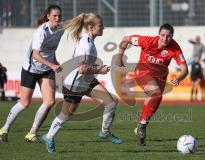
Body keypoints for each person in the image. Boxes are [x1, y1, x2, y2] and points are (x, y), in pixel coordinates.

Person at [42, 13, 122, 153]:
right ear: (91, 27)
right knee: (66, 115)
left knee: (111, 103)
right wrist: (100, 69)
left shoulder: (89, 41)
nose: (103, 27)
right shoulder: (86, 44)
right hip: (74, 85)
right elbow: (82, 69)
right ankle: (49, 137)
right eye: (100, 26)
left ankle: (104, 132)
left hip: (87, 81)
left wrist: (102, 68)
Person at [116, 23, 188, 146]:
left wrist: (179, 77)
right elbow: (126, 39)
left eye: (169, 36)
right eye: (163, 35)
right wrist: (120, 55)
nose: (165, 39)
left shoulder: (174, 47)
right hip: (142, 72)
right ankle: (142, 126)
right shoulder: (147, 41)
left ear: (172, 37)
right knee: (156, 94)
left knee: (153, 100)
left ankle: (140, 126)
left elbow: (185, 69)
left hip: (159, 78)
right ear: (159, 34)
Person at [0, 5, 63, 143]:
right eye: (54, 16)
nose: (57, 18)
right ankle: (4, 129)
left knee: (50, 101)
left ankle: (32, 133)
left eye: (59, 16)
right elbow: (35, 55)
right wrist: (52, 65)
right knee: (25, 103)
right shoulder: (41, 32)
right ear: (48, 16)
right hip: (31, 69)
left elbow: (51, 50)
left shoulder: (60, 30)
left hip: (46, 70)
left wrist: (55, 62)